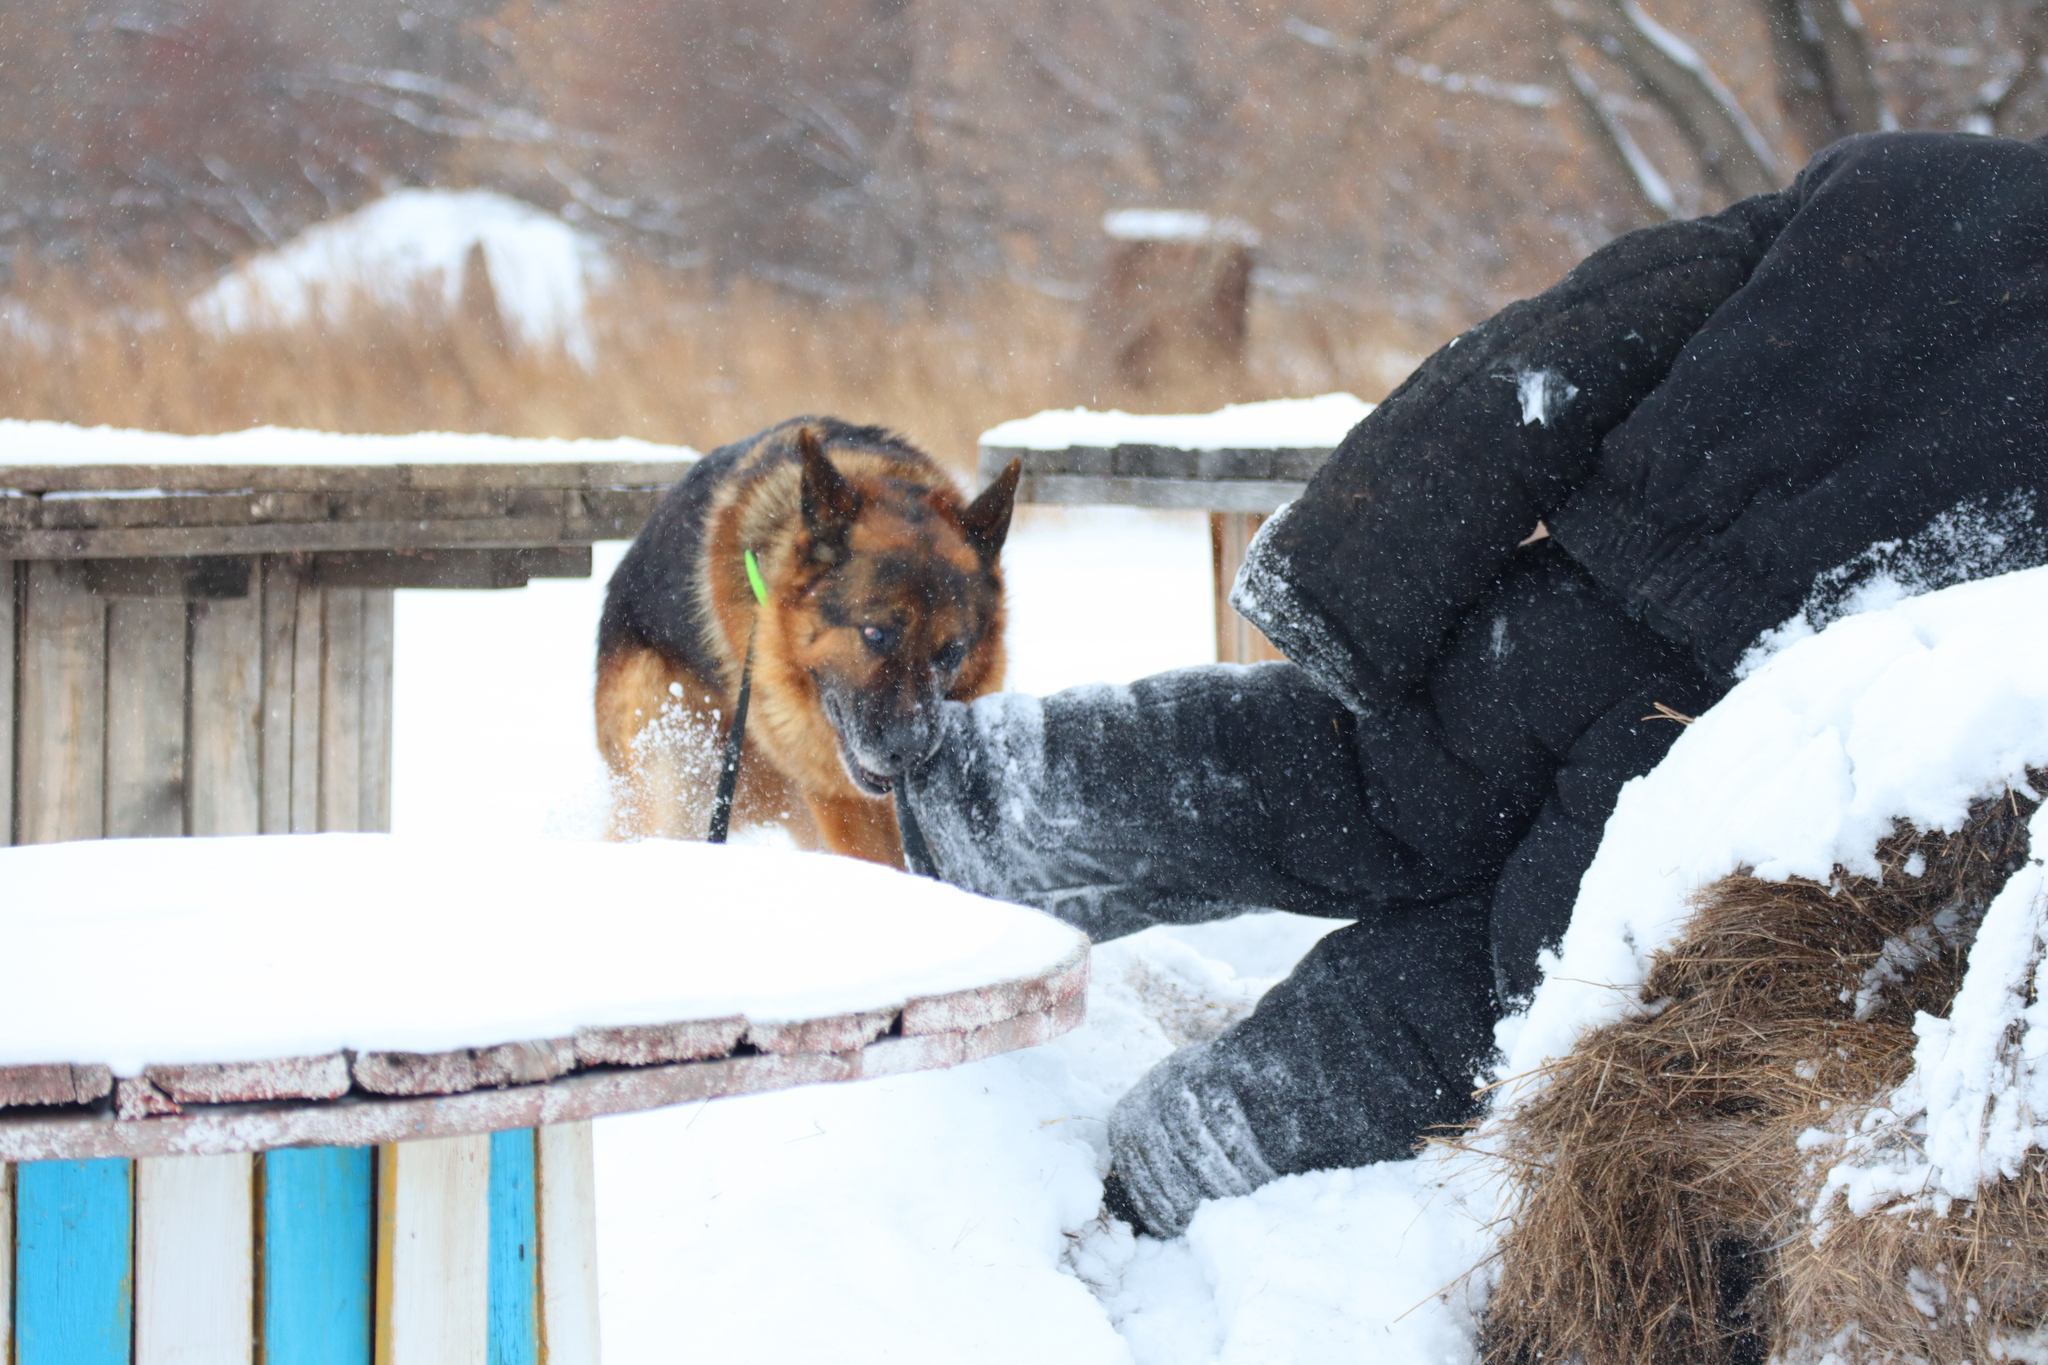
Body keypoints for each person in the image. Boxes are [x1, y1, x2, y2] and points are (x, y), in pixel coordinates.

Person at [899, 129, 2048, 1238]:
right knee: (1494, 982)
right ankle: (1189, 1156)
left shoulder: (1911, 183)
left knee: (1336, 765)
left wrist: (1356, 572)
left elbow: (1570, 341)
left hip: (1569, 613)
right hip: (1747, 744)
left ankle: (970, 808)